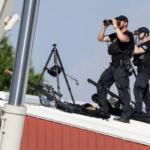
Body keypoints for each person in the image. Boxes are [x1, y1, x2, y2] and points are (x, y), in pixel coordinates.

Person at [97, 15, 134, 123]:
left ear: (125, 23)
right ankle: (103, 110)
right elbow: (100, 39)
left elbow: (123, 38)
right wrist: (104, 27)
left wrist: (115, 26)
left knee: (123, 91)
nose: (117, 22)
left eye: (120, 21)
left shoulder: (129, 34)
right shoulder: (115, 35)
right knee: (101, 84)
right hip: (113, 66)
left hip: (122, 68)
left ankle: (125, 116)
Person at [133, 27, 150, 117]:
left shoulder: (148, 43)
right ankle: (149, 112)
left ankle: (137, 111)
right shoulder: (139, 45)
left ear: (146, 34)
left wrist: (132, 39)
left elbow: (137, 51)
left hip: (145, 71)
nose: (139, 34)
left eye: (141, 32)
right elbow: (135, 60)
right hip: (140, 72)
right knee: (145, 93)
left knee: (138, 88)